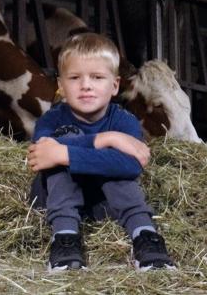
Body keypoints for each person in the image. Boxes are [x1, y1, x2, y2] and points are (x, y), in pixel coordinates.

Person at [27, 32, 175, 272]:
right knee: (68, 136)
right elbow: (41, 155)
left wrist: (66, 153)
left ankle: (145, 237)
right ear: (61, 85)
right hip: (53, 201)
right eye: (74, 77)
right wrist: (107, 140)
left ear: (114, 85)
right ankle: (65, 240)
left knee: (107, 162)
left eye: (97, 77)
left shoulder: (125, 121)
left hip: (103, 206)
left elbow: (132, 165)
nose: (86, 85)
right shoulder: (50, 119)